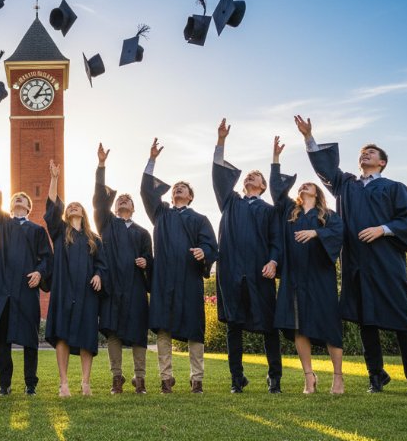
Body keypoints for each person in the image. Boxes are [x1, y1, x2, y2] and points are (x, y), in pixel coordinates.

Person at [295, 115, 407, 396]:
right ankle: (376, 376)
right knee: (366, 319)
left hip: (386, 260)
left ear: (382, 162)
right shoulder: (346, 185)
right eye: (362, 152)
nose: (365, 154)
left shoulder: (393, 187)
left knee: (402, 319)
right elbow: (326, 167)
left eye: (372, 152)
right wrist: (309, 137)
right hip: (355, 261)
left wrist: (384, 229)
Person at [141, 138, 218, 394]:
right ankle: (166, 379)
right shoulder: (161, 214)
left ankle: (197, 379)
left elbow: (211, 246)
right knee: (163, 328)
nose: (177, 190)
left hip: (188, 279)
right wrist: (151, 160)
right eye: (175, 187)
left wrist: (202, 252)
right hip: (163, 279)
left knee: (194, 330)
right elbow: (146, 191)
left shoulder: (200, 219)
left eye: (183, 187)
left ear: (191, 196)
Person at [212, 119, 284, 394]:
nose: (249, 177)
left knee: (268, 327)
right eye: (247, 176)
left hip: (259, 271)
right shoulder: (231, 202)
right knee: (234, 325)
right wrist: (221, 142)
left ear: (264, 185)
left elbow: (277, 240)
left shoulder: (269, 211)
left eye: (255, 176)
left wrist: (273, 261)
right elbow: (219, 177)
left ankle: (274, 377)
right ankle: (236, 379)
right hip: (231, 272)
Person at [270, 136, 346, 394]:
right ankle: (309, 377)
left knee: (328, 325)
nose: (305, 186)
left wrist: (316, 234)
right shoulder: (290, 213)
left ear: (317, 193)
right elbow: (276, 190)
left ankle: (338, 376)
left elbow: (339, 235)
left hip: (319, 276)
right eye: (302, 185)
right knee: (297, 324)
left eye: (310, 185)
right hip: (294, 275)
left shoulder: (328, 216)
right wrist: (276, 159)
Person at [0, 143, 52, 396]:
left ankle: (30, 384)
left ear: (29, 207)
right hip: (4, 291)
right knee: (4, 342)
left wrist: (40, 273)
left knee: (30, 340)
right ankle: (4, 385)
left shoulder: (37, 230)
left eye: (23, 198)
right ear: (10, 206)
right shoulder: (2, 224)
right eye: (15, 198)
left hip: (26, 289)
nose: (18, 199)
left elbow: (47, 258)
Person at [44, 159, 108, 396]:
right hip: (63, 290)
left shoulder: (95, 239)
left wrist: (100, 276)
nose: (72, 207)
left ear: (83, 212)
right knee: (62, 334)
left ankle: (85, 382)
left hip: (86, 293)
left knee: (85, 336)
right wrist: (54, 179)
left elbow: (103, 265)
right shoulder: (60, 232)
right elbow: (51, 208)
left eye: (76, 205)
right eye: (69, 206)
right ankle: (64, 384)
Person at [93, 143, 153, 394]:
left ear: (134, 207)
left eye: (127, 200)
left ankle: (140, 379)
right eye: (120, 200)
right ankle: (117, 378)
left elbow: (150, 260)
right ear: (114, 207)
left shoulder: (142, 232)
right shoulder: (107, 224)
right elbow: (98, 200)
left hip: (136, 288)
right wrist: (101, 166)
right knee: (113, 334)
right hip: (112, 287)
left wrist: (146, 263)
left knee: (138, 334)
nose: (123, 201)